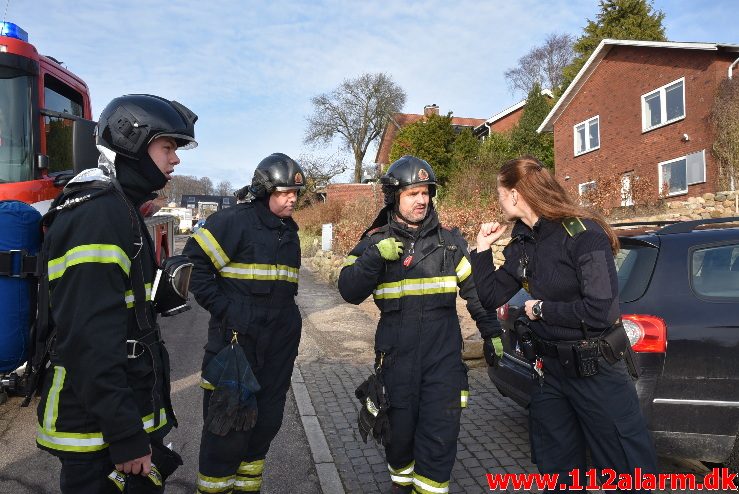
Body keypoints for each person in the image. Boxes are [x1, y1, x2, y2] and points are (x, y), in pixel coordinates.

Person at [35, 94, 198, 493]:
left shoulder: (118, 208)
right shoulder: (98, 214)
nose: (175, 159)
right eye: (167, 146)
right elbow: (90, 339)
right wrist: (126, 437)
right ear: (132, 142)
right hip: (97, 437)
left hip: (108, 427)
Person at [471, 156, 657, 491]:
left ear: (514, 194)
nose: (498, 201)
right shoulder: (524, 241)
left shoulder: (583, 234)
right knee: (557, 473)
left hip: (595, 370)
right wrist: (482, 249)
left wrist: (541, 310)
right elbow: (489, 296)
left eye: (499, 192)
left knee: (627, 473)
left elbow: (601, 310)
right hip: (548, 373)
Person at [338, 155, 502, 494]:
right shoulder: (374, 242)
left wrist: (492, 335)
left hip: (442, 361)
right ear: (394, 196)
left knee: (440, 436)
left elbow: (477, 297)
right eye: (413, 193)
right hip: (396, 360)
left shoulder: (450, 243)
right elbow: (348, 290)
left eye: (426, 192)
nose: (422, 200)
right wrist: (373, 258)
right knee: (398, 438)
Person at [183, 153, 304, 493]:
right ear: (265, 191)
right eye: (284, 192)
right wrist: (226, 310)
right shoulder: (232, 222)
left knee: (264, 426)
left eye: (295, 193)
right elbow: (195, 267)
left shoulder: (289, 233)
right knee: (226, 430)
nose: (292, 198)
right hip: (235, 345)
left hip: (277, 348)